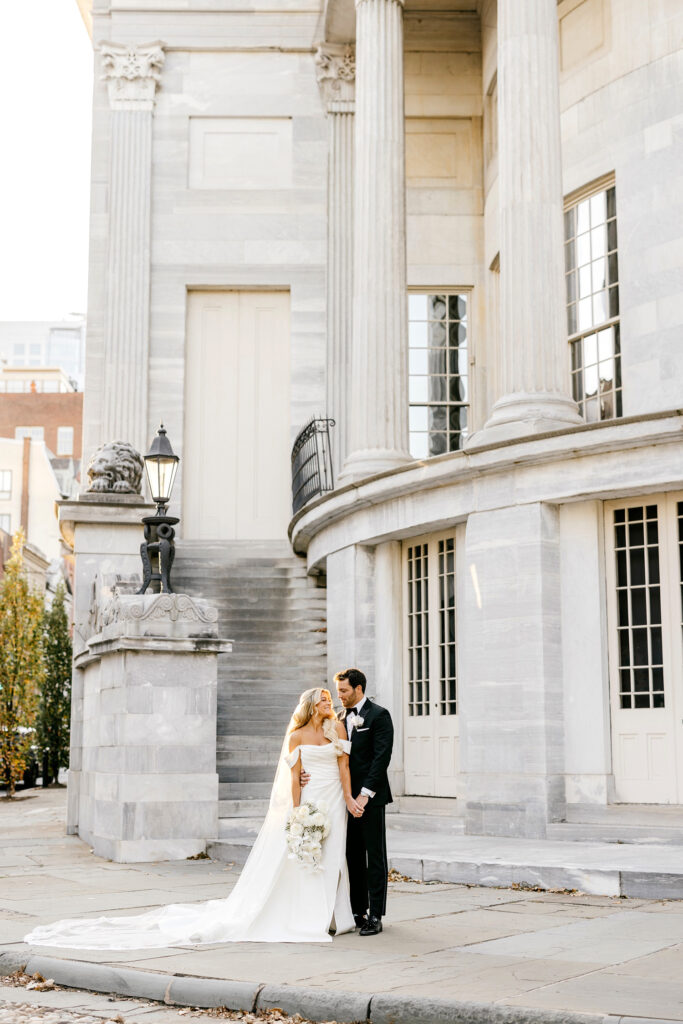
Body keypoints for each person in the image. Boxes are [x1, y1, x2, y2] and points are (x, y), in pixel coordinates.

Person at [23, 688, 363, 949]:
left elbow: (343, 766)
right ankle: (306, 915)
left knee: (332, 855)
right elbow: (293, 778)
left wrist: (348, 798)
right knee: (305, 857)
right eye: (322, 699)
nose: (327, 702)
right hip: (310, 799)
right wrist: (296, 811)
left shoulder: (337, 729)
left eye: (329, 698)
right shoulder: (296, 736)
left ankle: (333, 915)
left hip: (333, 797)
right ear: (309, 706)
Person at [302, 668, 394, 936]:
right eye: (338, 691)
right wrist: (308, 772)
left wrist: (364, 795)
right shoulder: (338, 718)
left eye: (343, 691)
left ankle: (376, 914)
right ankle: (357, 910)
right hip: (341, 798)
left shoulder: (379, 715)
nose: (339, 696)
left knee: (374, 855)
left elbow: (381, 758)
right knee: (352, 855)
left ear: (359, 689)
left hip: (370, 799)